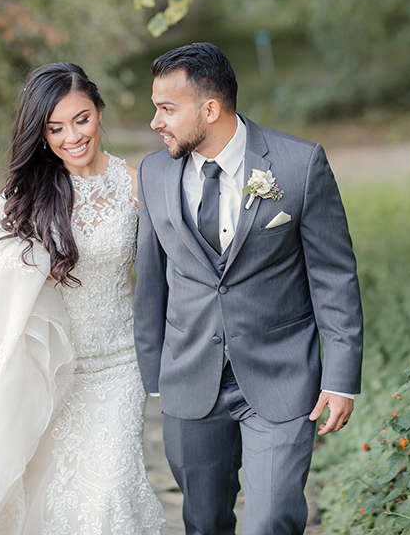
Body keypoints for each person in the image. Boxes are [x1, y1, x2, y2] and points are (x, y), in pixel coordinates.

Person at [0, 62, 166, 534]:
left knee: (109, 491)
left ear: (100, 112)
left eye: (81, 118)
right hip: (50, 369)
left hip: (117, 364)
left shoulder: (135, 184)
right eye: (56, 127)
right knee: (51, 500)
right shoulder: (27, 197)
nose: (72, 136)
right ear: (41, 133)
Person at [133, 43, 363, 535]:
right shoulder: (154, 174)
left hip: (280, 375)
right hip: (191, 379)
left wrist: (340, 376)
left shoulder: (300, 166)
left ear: (210, 109)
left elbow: (334, 276)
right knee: (204, 521)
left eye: (167, 108)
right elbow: (150, 280)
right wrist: (155, 374)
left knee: (271, 520)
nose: (156, 122)